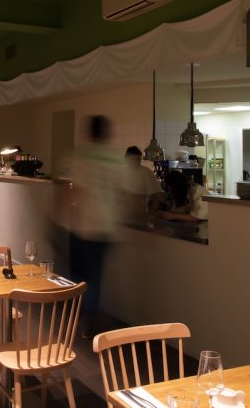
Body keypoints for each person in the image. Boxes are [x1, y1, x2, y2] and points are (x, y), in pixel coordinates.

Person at [65, 115, 123, 337]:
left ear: (89, 133)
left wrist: (63, 214)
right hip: (105, 227)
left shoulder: (82, 156)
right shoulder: (115, 158)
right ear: (107, 133)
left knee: (76, 275)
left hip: (83, 225)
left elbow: (75, 190)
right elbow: (124, 192)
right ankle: (87, 320)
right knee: (94, 277)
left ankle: (75, 317)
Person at [122, 146, 164, 225]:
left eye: (138, 159)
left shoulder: (145, 172)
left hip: (139, 215)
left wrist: (152, 211)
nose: (136, 161)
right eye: (133, 159)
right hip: (123, 215)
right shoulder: (122, 172)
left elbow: (158, 193)